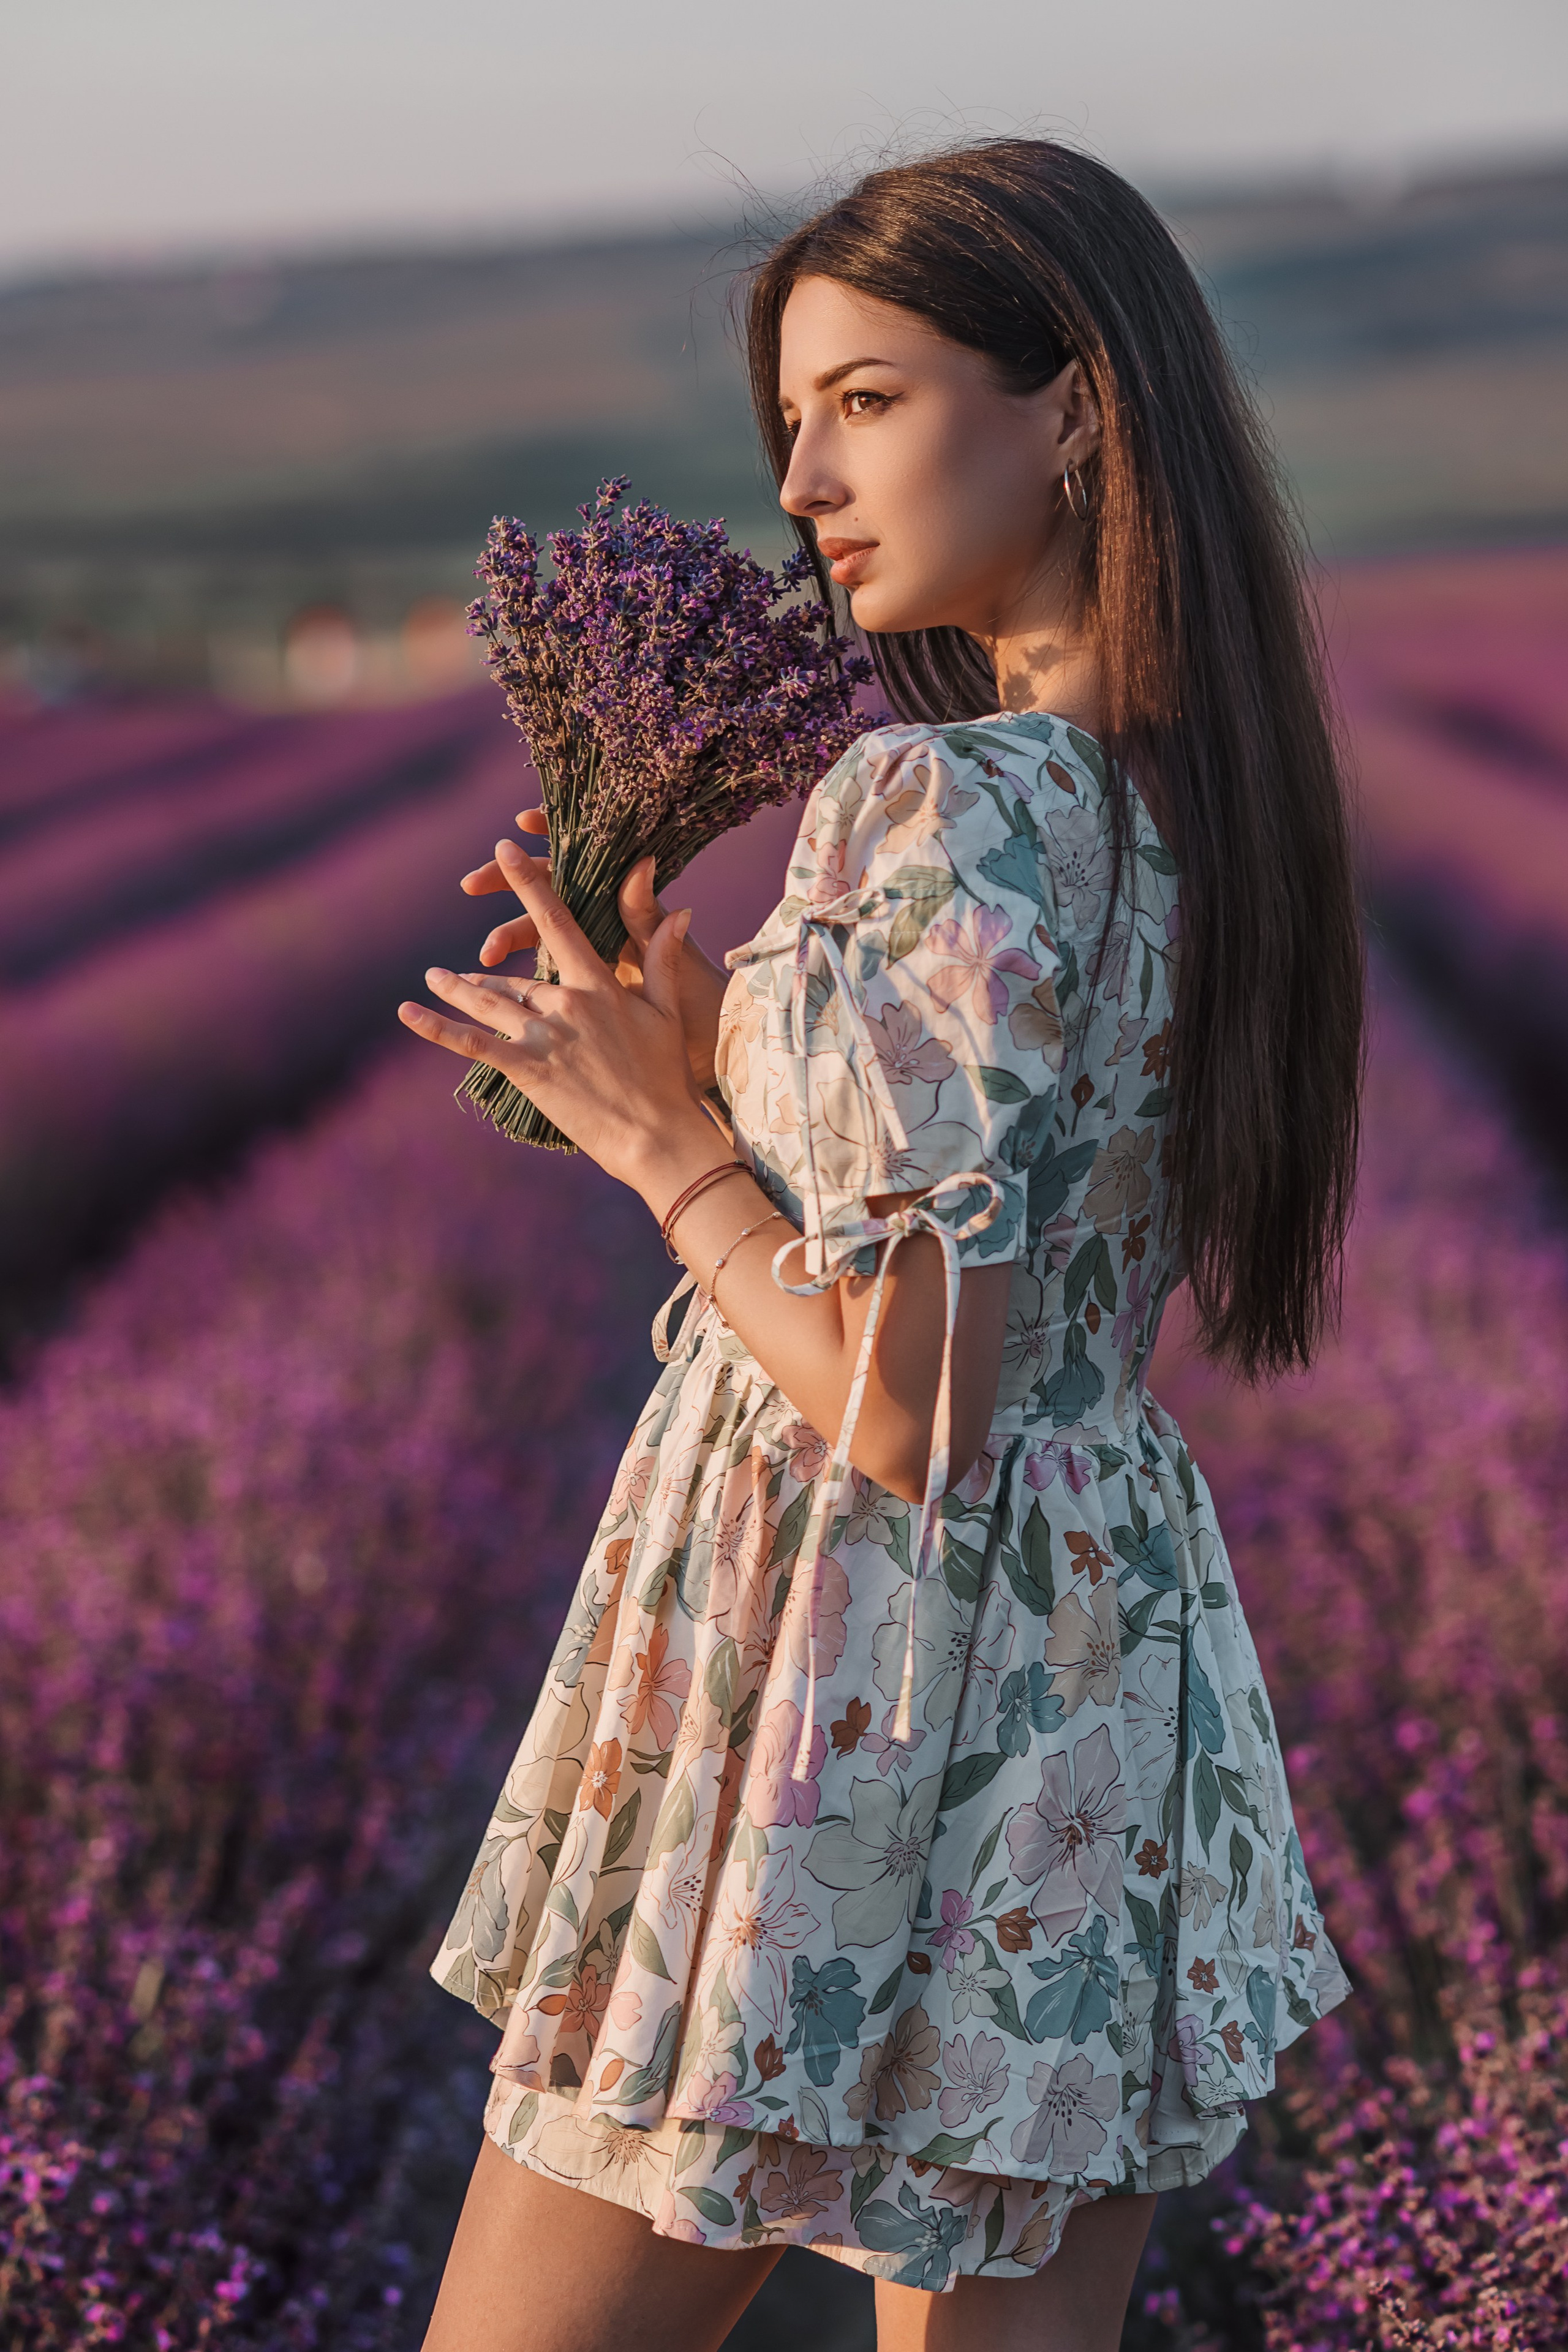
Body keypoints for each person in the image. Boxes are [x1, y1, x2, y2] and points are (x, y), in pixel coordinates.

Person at [399, 138, 1363, 2352]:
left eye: (871, 399)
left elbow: (908, 1405)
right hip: (1087, 1682)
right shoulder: (1200, 809)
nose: (808, 480)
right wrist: (718, 1058)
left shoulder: (943, 802)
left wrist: (674, 1155)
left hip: (834, 1693)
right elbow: (1016, 1234)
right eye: (794, 422)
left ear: (1081, 404)